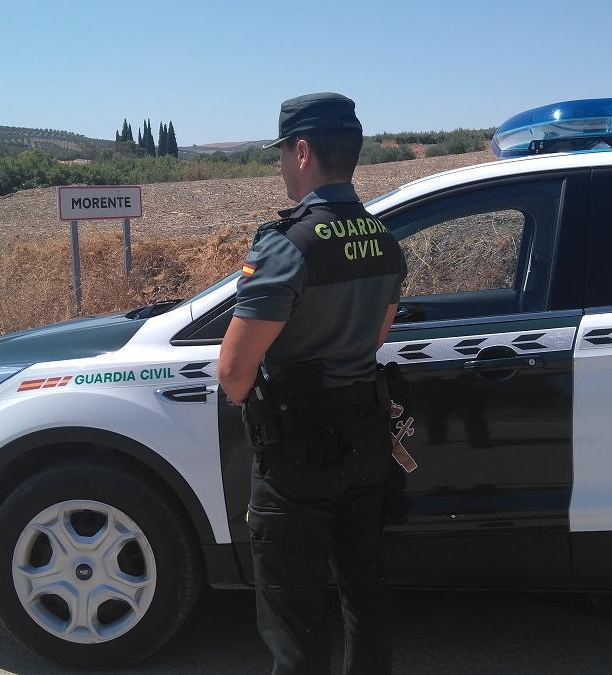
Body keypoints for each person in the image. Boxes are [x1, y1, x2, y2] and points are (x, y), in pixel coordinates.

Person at [217, 92, 407, 675]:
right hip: (366, 441)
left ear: (303, 151)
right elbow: (376, 338)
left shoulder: (285, 244)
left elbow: (233, 371)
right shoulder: (383, 239)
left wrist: (266, 405)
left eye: (282, 154)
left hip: (297, 453)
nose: (280, 166)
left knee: (294, 617)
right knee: (365, 596)